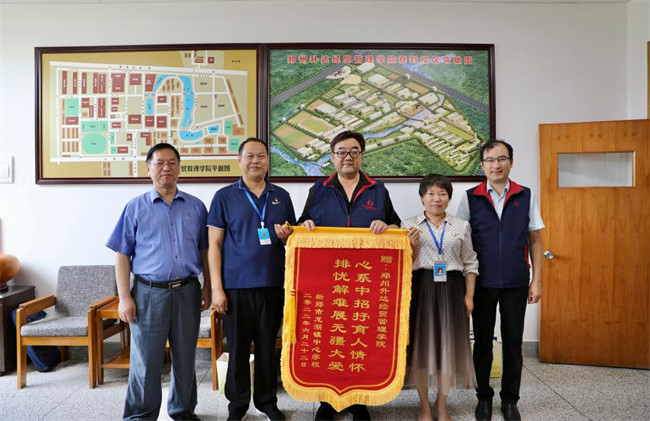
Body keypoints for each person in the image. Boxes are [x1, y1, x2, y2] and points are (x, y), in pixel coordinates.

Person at [298, 130, 401, 421]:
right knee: (328, 339)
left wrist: (387, 227)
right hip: (325, 281)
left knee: (359, 338)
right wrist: (305, 225)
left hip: (365, 282)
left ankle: (358, 400)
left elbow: (396, 225)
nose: (348, 157)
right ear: (332, 157)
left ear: (362, 156)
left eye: (354, 151)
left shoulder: (377, 190)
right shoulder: (319, 189)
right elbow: (302, 224)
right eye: (341, 152)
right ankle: (327, 401)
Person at [106, 143, 211, 421]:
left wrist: (208, 286)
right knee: (146, 360)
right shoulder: (135, 207)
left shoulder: (196, 206)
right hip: (148, 293)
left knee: (185, 356)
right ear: (148, 169)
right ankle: (140, 415)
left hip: (188, 290)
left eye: (172, 163)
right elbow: (121, 254)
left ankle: (182, 410)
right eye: (160, 163)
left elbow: (205, 250)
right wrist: (124, 298)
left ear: (179, 168)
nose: (167, 168)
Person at [207, 137, 296, 421]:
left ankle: (268, 403)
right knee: (238, 349)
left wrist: (287, 237)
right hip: (236, 286)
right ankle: (237, 406)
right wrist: (217, 289)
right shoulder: (224, 196)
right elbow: (214, 246)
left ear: (268, 161)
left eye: (261, 156)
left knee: (268, 347)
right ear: (240, 160)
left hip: (273, 284)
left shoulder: (281, 195)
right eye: (250, 156)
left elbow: (292, 241)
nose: (256, 161)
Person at [456, 140, 544, 421]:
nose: (496, 165)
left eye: (502, 159)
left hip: (517, 281)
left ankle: (510, 400)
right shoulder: (470, 197)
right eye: (490, 160)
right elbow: (460, 241)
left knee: (513, 344)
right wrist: (464, 287)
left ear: (511, 162)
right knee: (482, 344)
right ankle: (483, 398)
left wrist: (536, 280)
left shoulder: (525, 195)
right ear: (482, 165)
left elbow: (535, 239)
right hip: (482, 282)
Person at [402, 174, 478, 421]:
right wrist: (410, 249)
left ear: (449, 198)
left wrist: (469, 296)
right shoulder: (408, 225)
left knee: (448, 349)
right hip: (420, 289)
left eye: (442, 194)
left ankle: (442, 404)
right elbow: (400, 266)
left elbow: (470, 263)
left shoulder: (461, 226)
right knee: (421, 350)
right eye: (431, 194)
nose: (436, 199)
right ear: (422, 197)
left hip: (452, 290)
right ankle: (424, 405)